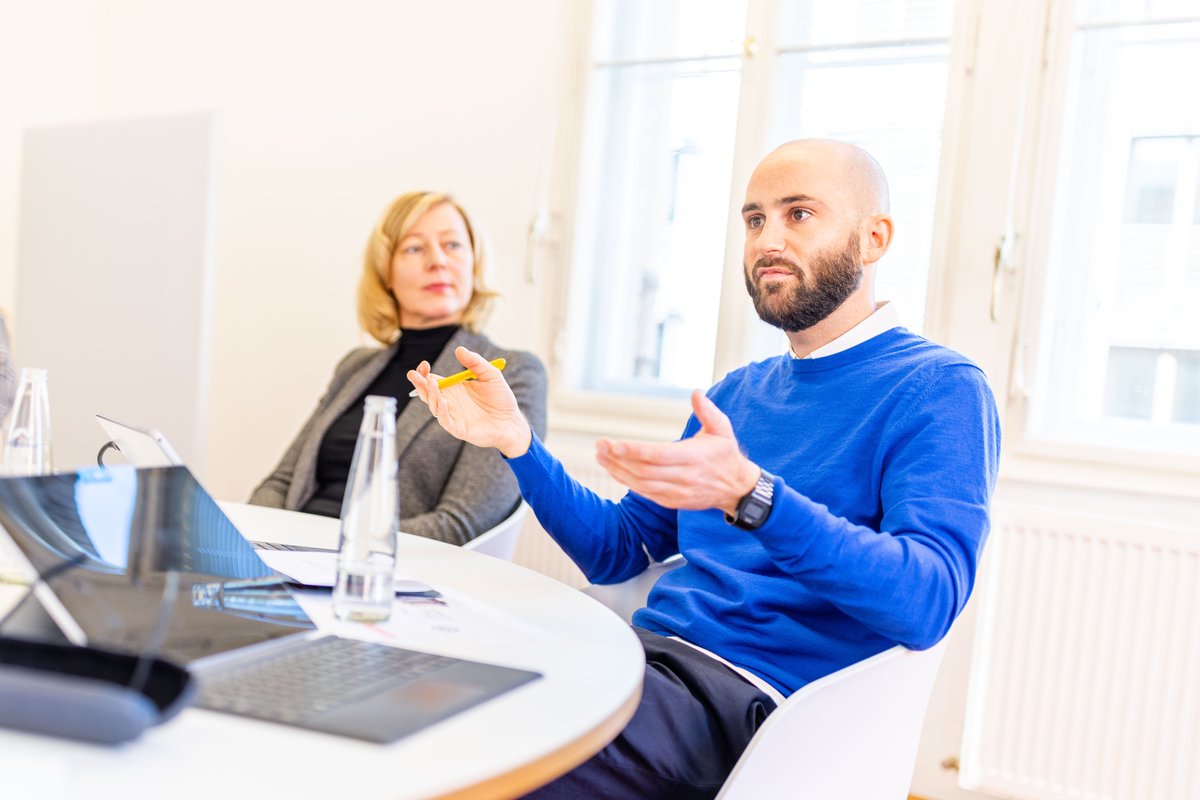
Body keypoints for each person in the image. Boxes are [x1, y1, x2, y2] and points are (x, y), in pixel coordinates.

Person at [409, 139, 1001, 798]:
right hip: (641, 662)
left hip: (749, 711)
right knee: (422, 694)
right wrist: (516, 442)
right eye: (754, 221)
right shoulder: (736, 394)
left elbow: (927, 603)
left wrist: (756, 498)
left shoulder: (940, 388)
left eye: (798, 214)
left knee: (477, 758)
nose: (767, 240)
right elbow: (618, 551)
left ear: (874, 238)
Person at [250, 191, 547, 545]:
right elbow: (281, 483)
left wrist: (334, 546)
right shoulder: (355, 366)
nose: (437, 261)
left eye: (452, 245)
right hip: (291, 554)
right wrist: (256, 540)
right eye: (414, 248)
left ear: (474, 264)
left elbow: (460, 526)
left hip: (383, 572)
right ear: (386, 271)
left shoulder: (511, 373)